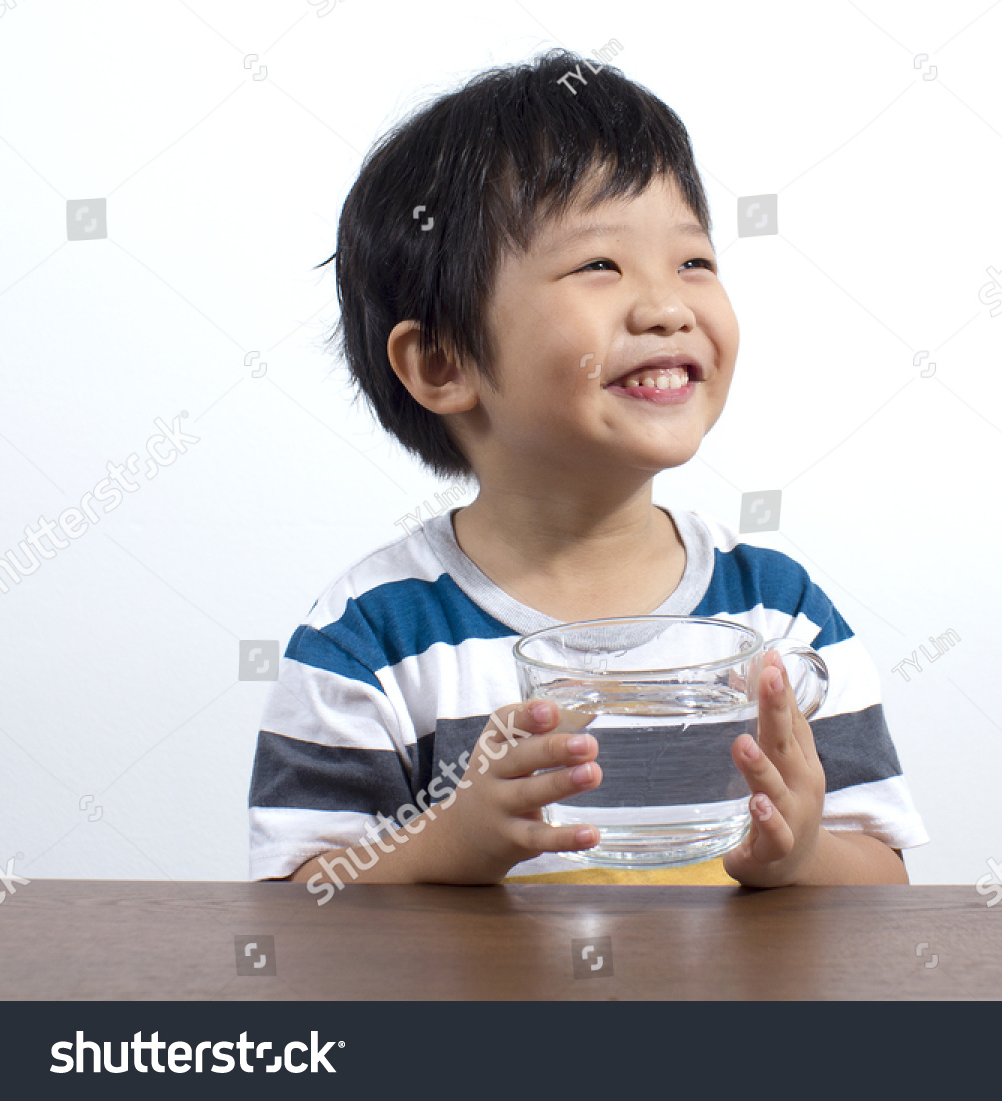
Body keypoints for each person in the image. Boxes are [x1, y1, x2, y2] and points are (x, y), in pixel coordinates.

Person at [248, 48, 927, 890]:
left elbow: (883, 881)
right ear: (441, 362)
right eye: (599, 265)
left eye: (694, 262)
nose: (667, 305)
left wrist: (801, 853)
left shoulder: (780, 616)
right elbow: (295, 903)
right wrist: (449, 845)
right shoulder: (376, 639)